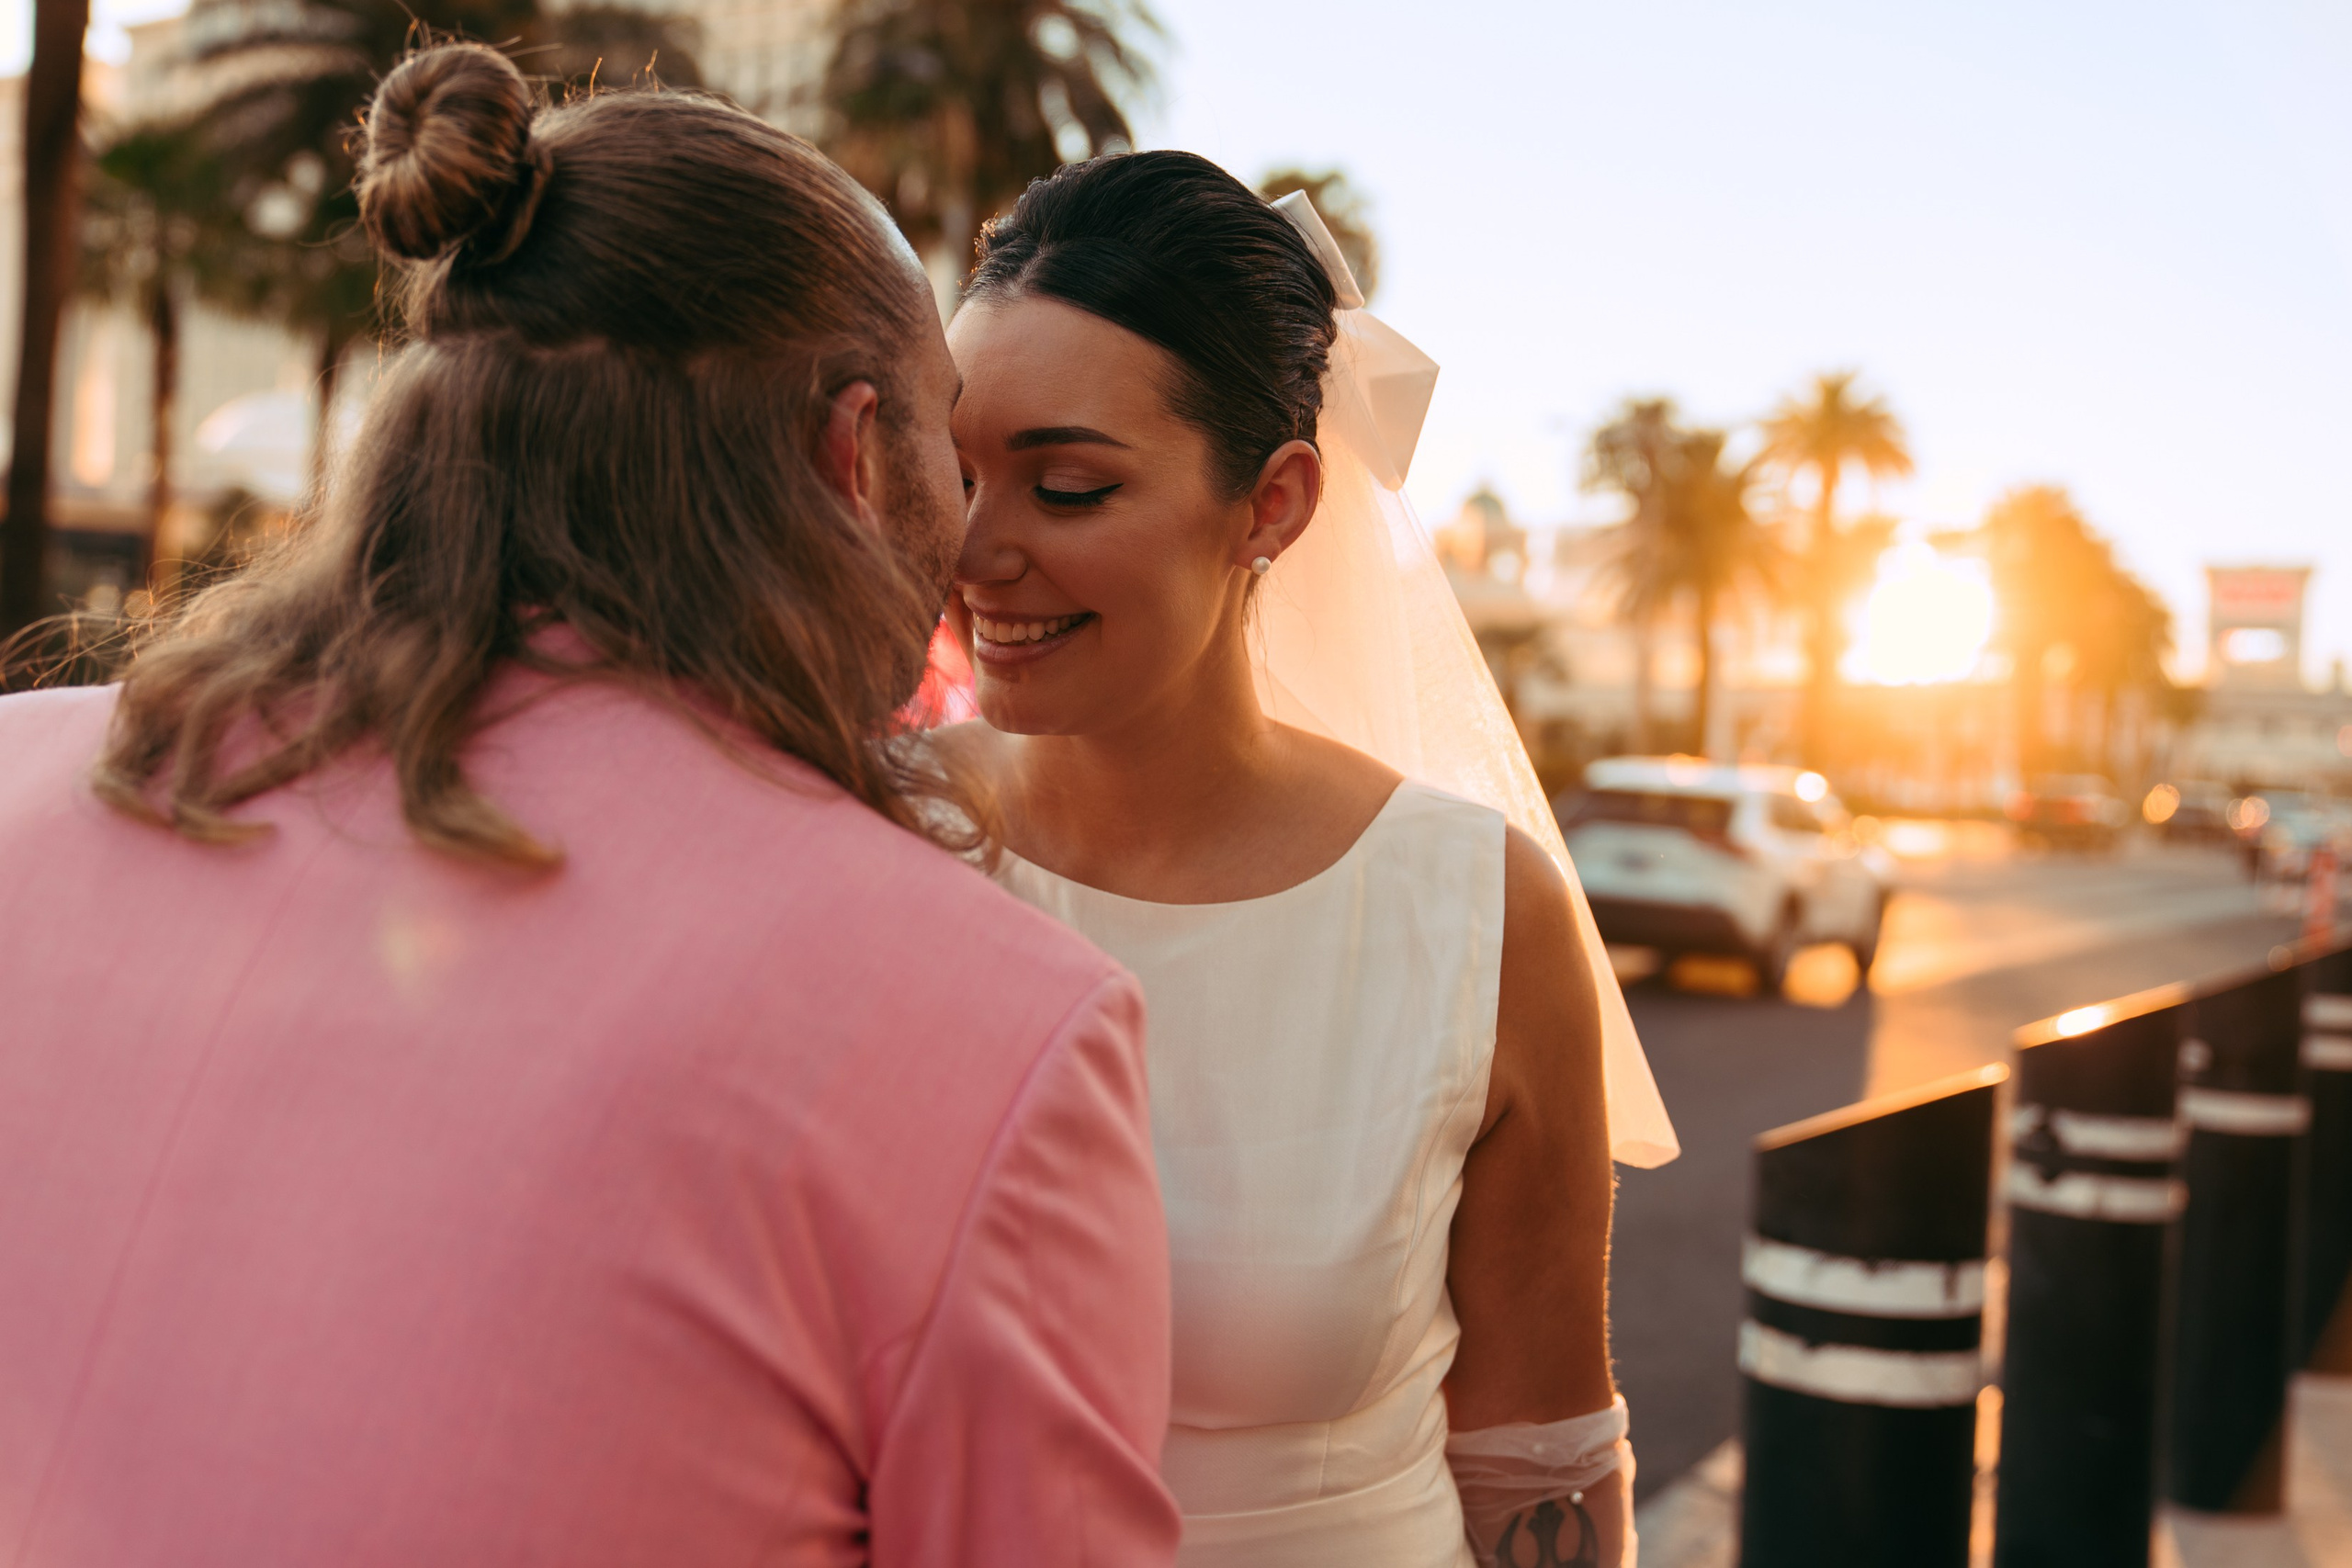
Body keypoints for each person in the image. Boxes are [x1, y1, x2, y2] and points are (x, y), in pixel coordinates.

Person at [0, 46, 1180, 1568]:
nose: (966, 536)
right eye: (944, 453)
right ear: (844, 457)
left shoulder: (21, 777)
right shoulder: (992, 1022)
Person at [940, 152, 1679, 1567]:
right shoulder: (871, 838)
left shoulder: (1476, 913)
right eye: (955, 469)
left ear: (1272, 505)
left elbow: (1539, 1449)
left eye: (1069, 488)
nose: (978, 551)